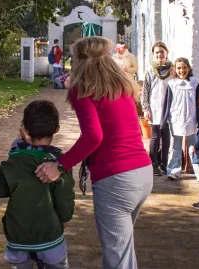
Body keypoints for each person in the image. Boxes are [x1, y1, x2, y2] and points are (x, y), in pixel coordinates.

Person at [35, 37, 152, 269]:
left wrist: (60, 166)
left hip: (116, 179)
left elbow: (93, 136)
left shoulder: (83, 89)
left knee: (118, 257)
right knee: (124, 251)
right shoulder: (123, 86)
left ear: (80, 61)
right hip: (142, 173)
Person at [0, 100, 74, 269]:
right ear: (57, 129)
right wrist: (65, 218)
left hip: (17, 234)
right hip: (49, 234)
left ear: (25, 130)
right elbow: (65, 198)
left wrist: (14, 151)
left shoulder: (15, 159)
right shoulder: (60, 163)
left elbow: (1, 190)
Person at [163, 57, 199, 181]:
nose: (182, 70)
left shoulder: (195, 82)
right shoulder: (171, 84)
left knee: (194, 146)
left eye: (184, 67)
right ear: (175, 69)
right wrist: (164, 119)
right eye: (179, 68)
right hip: (176, 118)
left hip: (191, 119)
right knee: (176, 146)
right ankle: (174, 170)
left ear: (189, 68)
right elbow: (167, 103)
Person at [141, 41, 173, 176]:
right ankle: (153, 164)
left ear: (167, 53)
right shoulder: (150, 71)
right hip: (154, 107)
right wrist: (146, 108)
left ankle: (164, 163)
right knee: (155, 136)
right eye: (157, 52)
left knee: (166, 137)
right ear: (153, 55)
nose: (160, 54)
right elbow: (145, 91)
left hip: (169, 108)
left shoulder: (172, 70)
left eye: (162, 52)